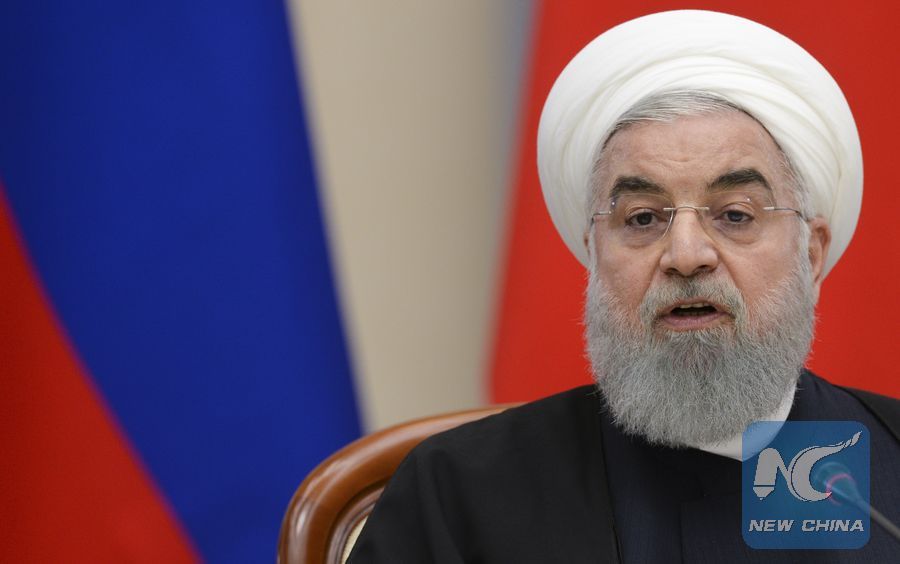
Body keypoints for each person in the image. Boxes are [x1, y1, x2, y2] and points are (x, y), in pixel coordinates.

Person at [347, 10, 900, 563]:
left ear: (811, 254)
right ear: (593, 253)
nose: (686, 255)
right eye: (642, 218)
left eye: (734, 215)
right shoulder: (459, 494)